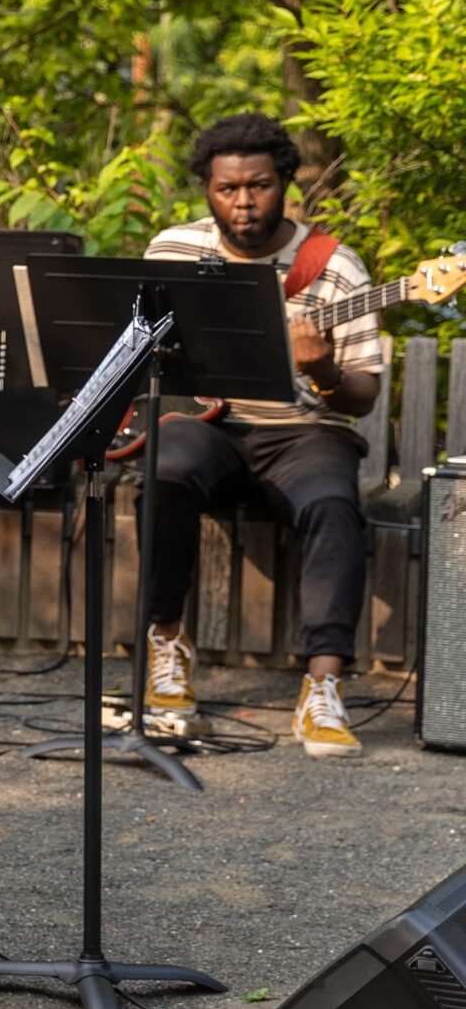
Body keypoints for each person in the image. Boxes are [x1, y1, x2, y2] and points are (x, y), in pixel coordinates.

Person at [142, 113, 381, 757]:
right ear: (207, 189)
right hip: (210, 424)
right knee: (162, 469)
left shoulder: (335, 269)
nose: (244, 203)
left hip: (303, 432)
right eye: (227, 189)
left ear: (284, 184)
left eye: (259, 186)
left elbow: (363, 396)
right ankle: (167, 644)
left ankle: (324, 687)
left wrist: (323, 368)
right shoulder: (173, 252)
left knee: (333, 503)